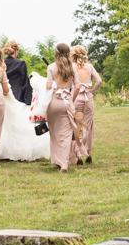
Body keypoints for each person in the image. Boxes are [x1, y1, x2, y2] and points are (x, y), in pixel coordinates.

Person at [44, 42, 78, 173]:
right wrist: (70, 99)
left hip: (53, 102)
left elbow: (48, 86)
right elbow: (78, 86)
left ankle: (58, 161)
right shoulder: (72, 67)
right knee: (66, 134)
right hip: (66, 101)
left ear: (56, 53)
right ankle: (64, 163)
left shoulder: (51, 67)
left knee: (55, 133)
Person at [70, 45, 103, 165]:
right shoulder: (89, 66)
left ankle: (78, 155)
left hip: (76, 97)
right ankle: (88, 153)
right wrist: (92, 92)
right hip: (88, 98)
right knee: (87, 127)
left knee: (77, 126)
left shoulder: (72, 67)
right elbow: (99, 81)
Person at [3, 41, 32, 105]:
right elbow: (25, 83)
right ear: (16, 51)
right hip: (17, 97)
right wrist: (28, 101)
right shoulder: (20, 63)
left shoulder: (1, 63)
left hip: (3, 96)